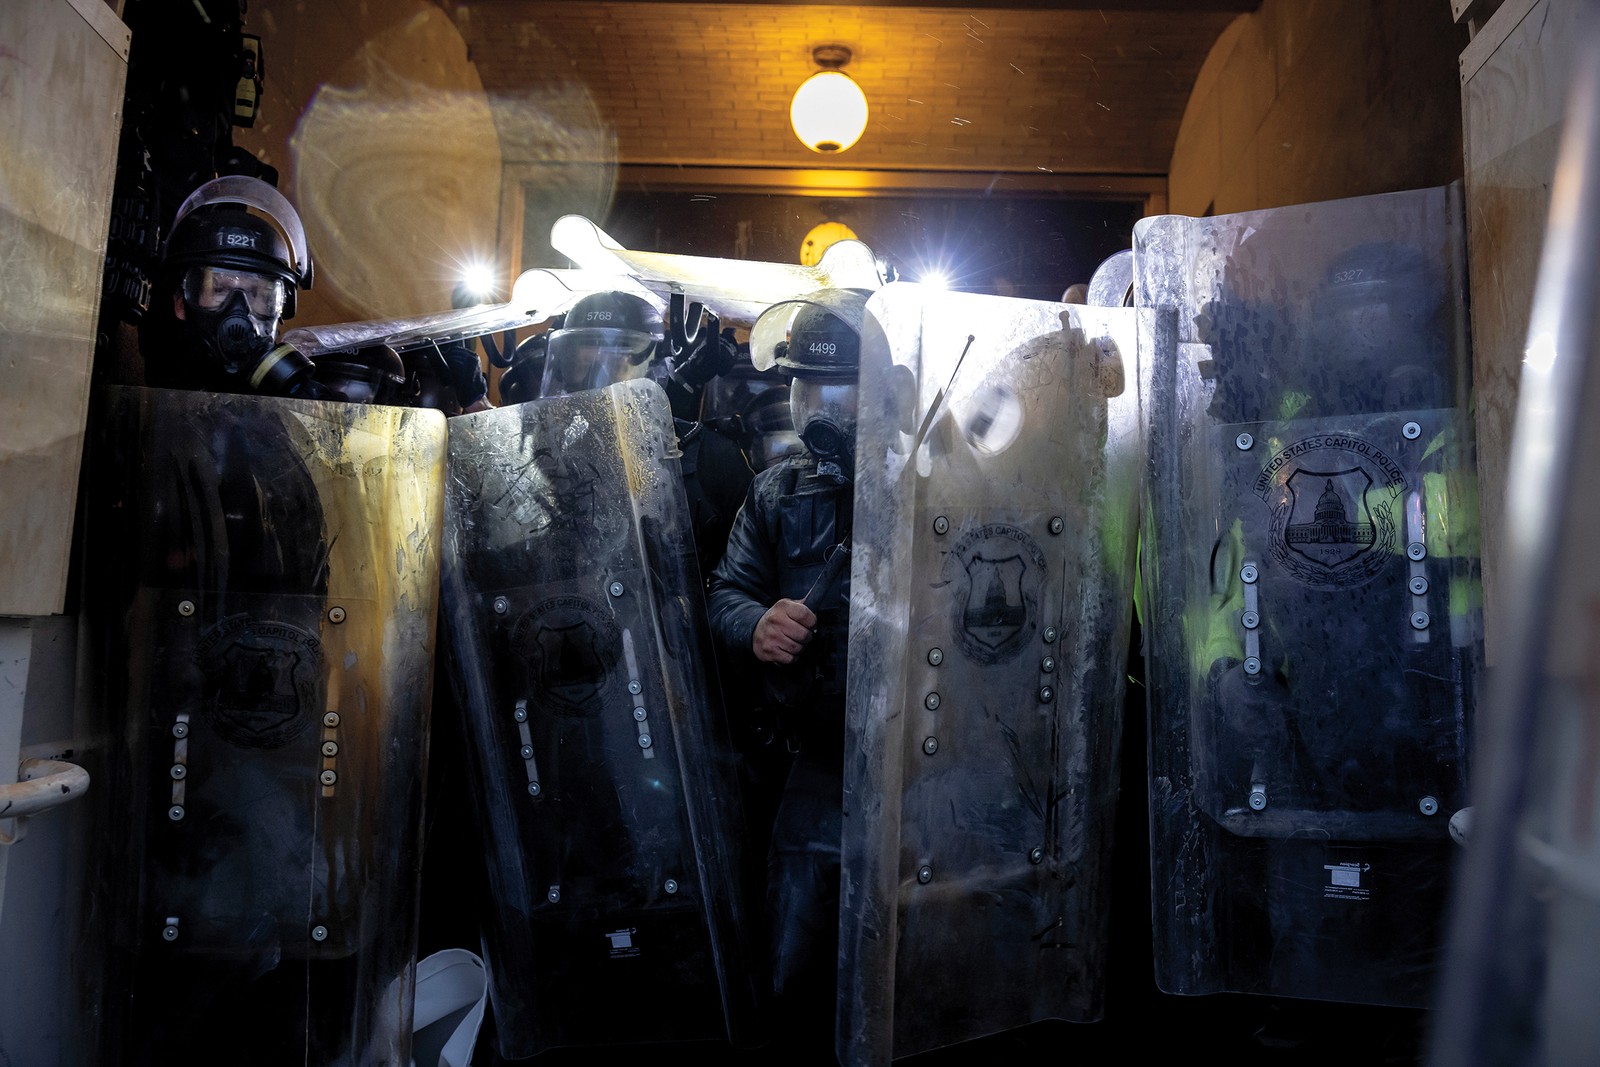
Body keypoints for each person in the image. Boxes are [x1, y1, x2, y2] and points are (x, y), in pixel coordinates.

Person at [706, 287, 867, 1052]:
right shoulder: (776, 488)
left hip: (929, 760)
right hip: (818, 757)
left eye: (840, 383)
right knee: (794, 956)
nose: (820, 402)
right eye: (807, 383)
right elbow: (726, 591)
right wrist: (756, 624)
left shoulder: (946, 482)